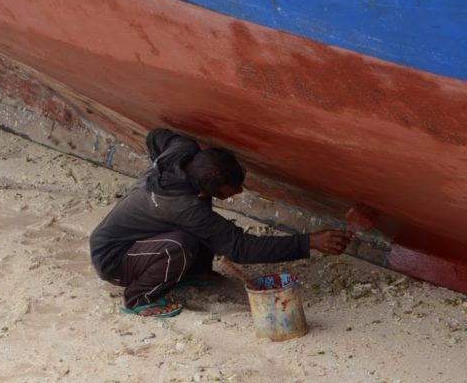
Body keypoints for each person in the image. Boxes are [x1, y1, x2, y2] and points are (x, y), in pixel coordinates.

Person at [89, 128, 354, 318]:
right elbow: (240, 248)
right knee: (180, 245)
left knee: (198, 231)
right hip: (113, 260)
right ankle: (139, 297)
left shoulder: (182, 149)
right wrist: (308, 242)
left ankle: (192, 271)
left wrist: (159, 164)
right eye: (231, 191)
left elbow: (155, 136)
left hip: (141, 239)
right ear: (202, 192)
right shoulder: (186, 208)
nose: (239, 191)